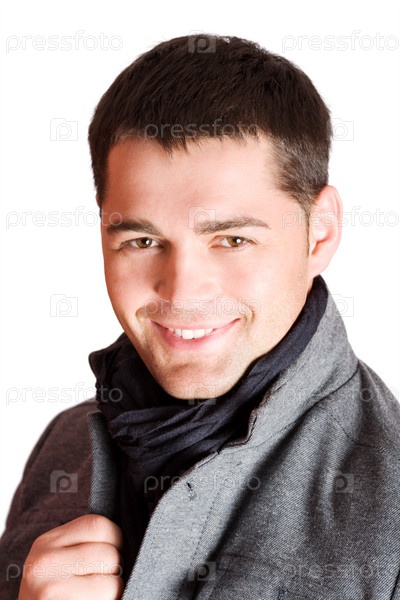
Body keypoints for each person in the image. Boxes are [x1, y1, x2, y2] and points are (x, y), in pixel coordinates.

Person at [1, 33, 399, 600]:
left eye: (232, 239)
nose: (182, 290)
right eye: (142, 240)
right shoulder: (64, 444)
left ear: (320, 233)